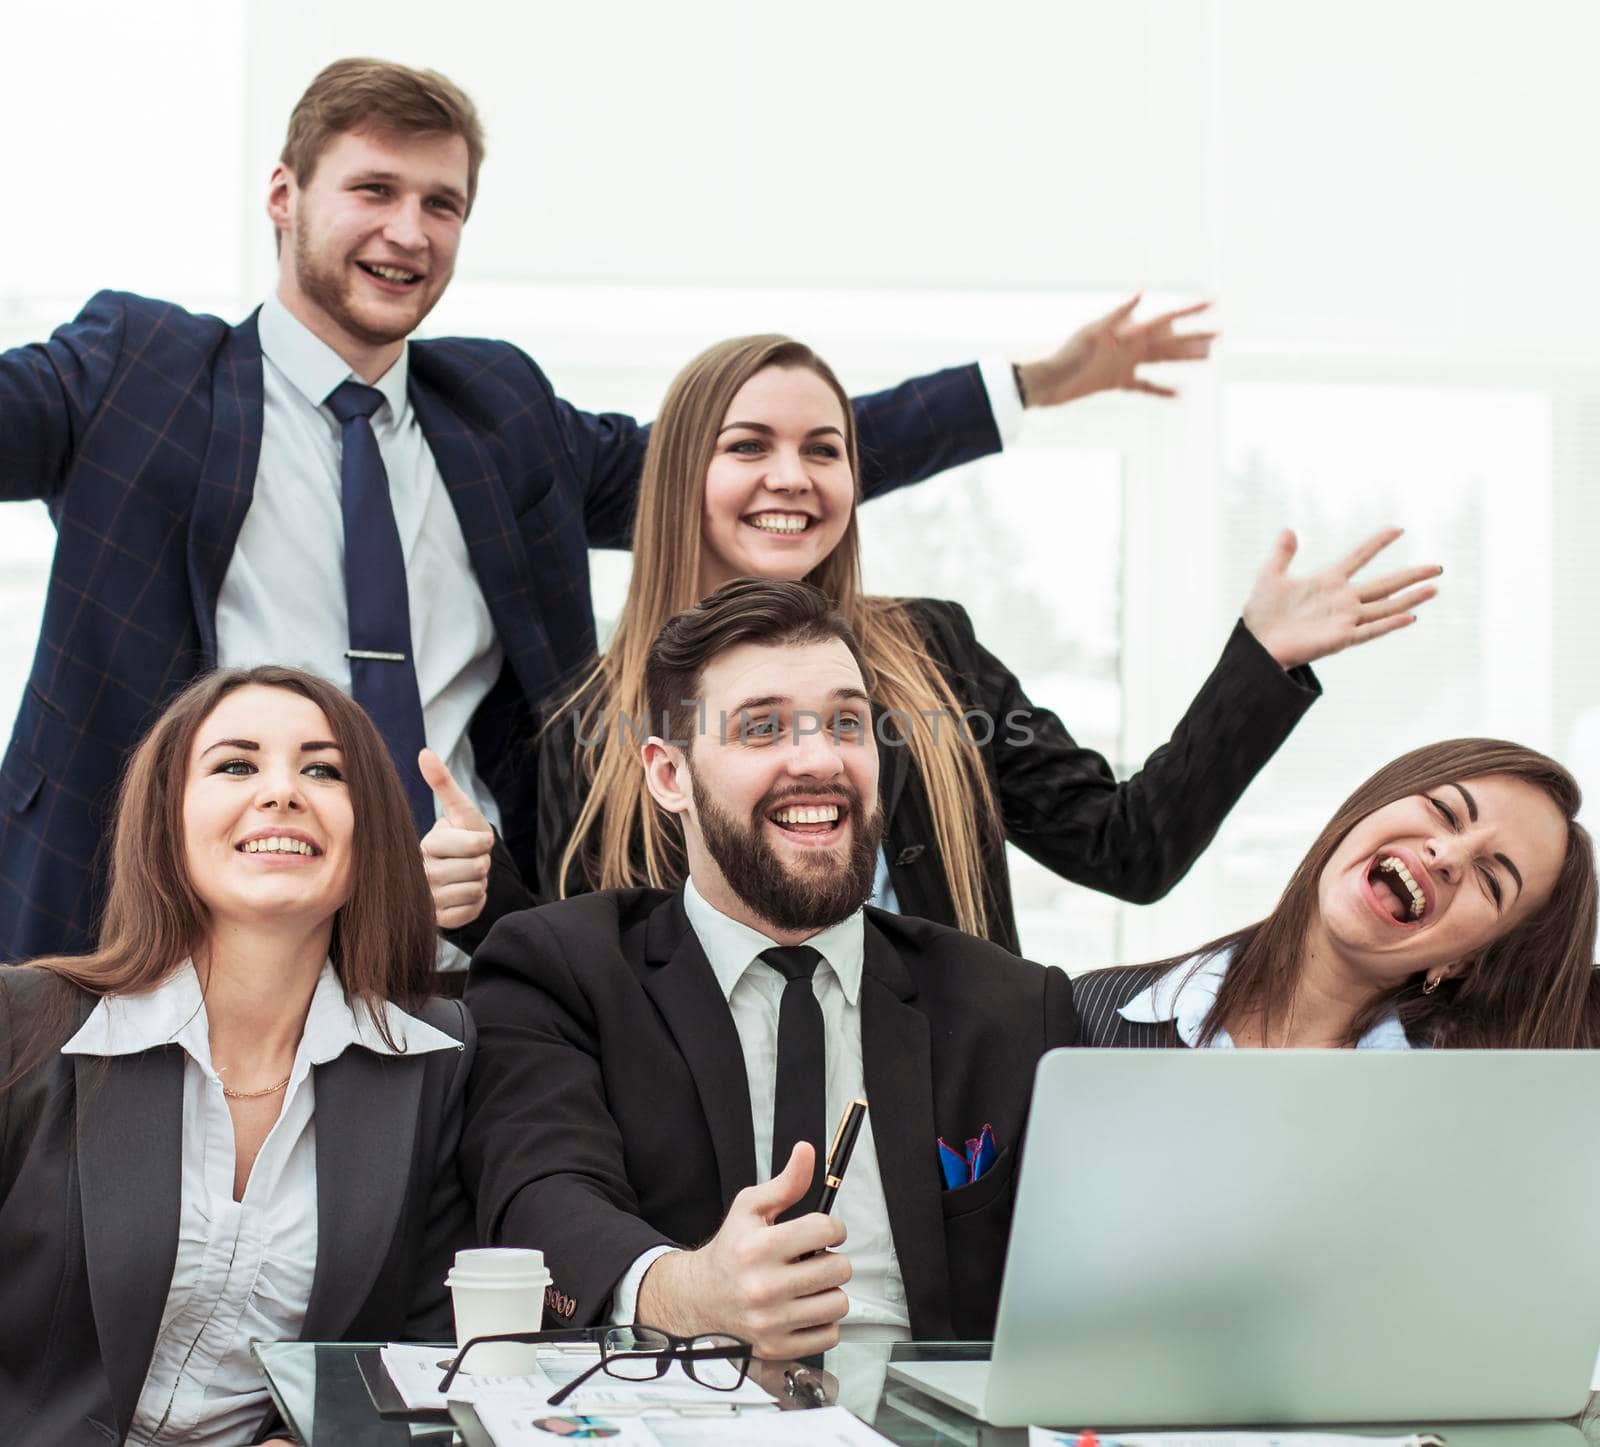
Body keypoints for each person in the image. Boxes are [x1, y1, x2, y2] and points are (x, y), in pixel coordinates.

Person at [0, 57, 1212, 965]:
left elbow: (743, 465)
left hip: (447, 947)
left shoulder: (500, 414)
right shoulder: (138, 372)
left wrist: (1035, 384)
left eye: (443, 203)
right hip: (152, 923)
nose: (407, 231)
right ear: (284, 193)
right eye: (373, 188)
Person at [426, 335, 1440, 954]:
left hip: (949, 1146)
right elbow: (573, 973)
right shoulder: (591, 719)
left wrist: (1258, 658)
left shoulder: (931, 651)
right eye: (749, 447)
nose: (793, 477)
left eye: (825, 450)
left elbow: (1130, 847)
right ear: (680, 473)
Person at [460, 580, 1079, 1357]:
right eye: (762, 728)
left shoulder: (1016, 1003)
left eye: (847, 723)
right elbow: (538, 1196)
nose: (820, 759)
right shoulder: (560, 969)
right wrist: (683, 1292)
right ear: (668, 775)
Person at [0, 665, 473, 1446]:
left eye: (323, 769)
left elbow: (424, 1351)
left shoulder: (436, 1061)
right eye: (235, 765)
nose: (283, 792)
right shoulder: (23, 1021)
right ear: (168, 819)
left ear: (372, 833)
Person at [1072, 738, 1600, 1049]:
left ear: (1464, 961)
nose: (1447, 856)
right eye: (1444, 811)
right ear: (1369, 808)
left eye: (1491, 880)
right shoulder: (1082, 1017)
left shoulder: (1461, 1113)